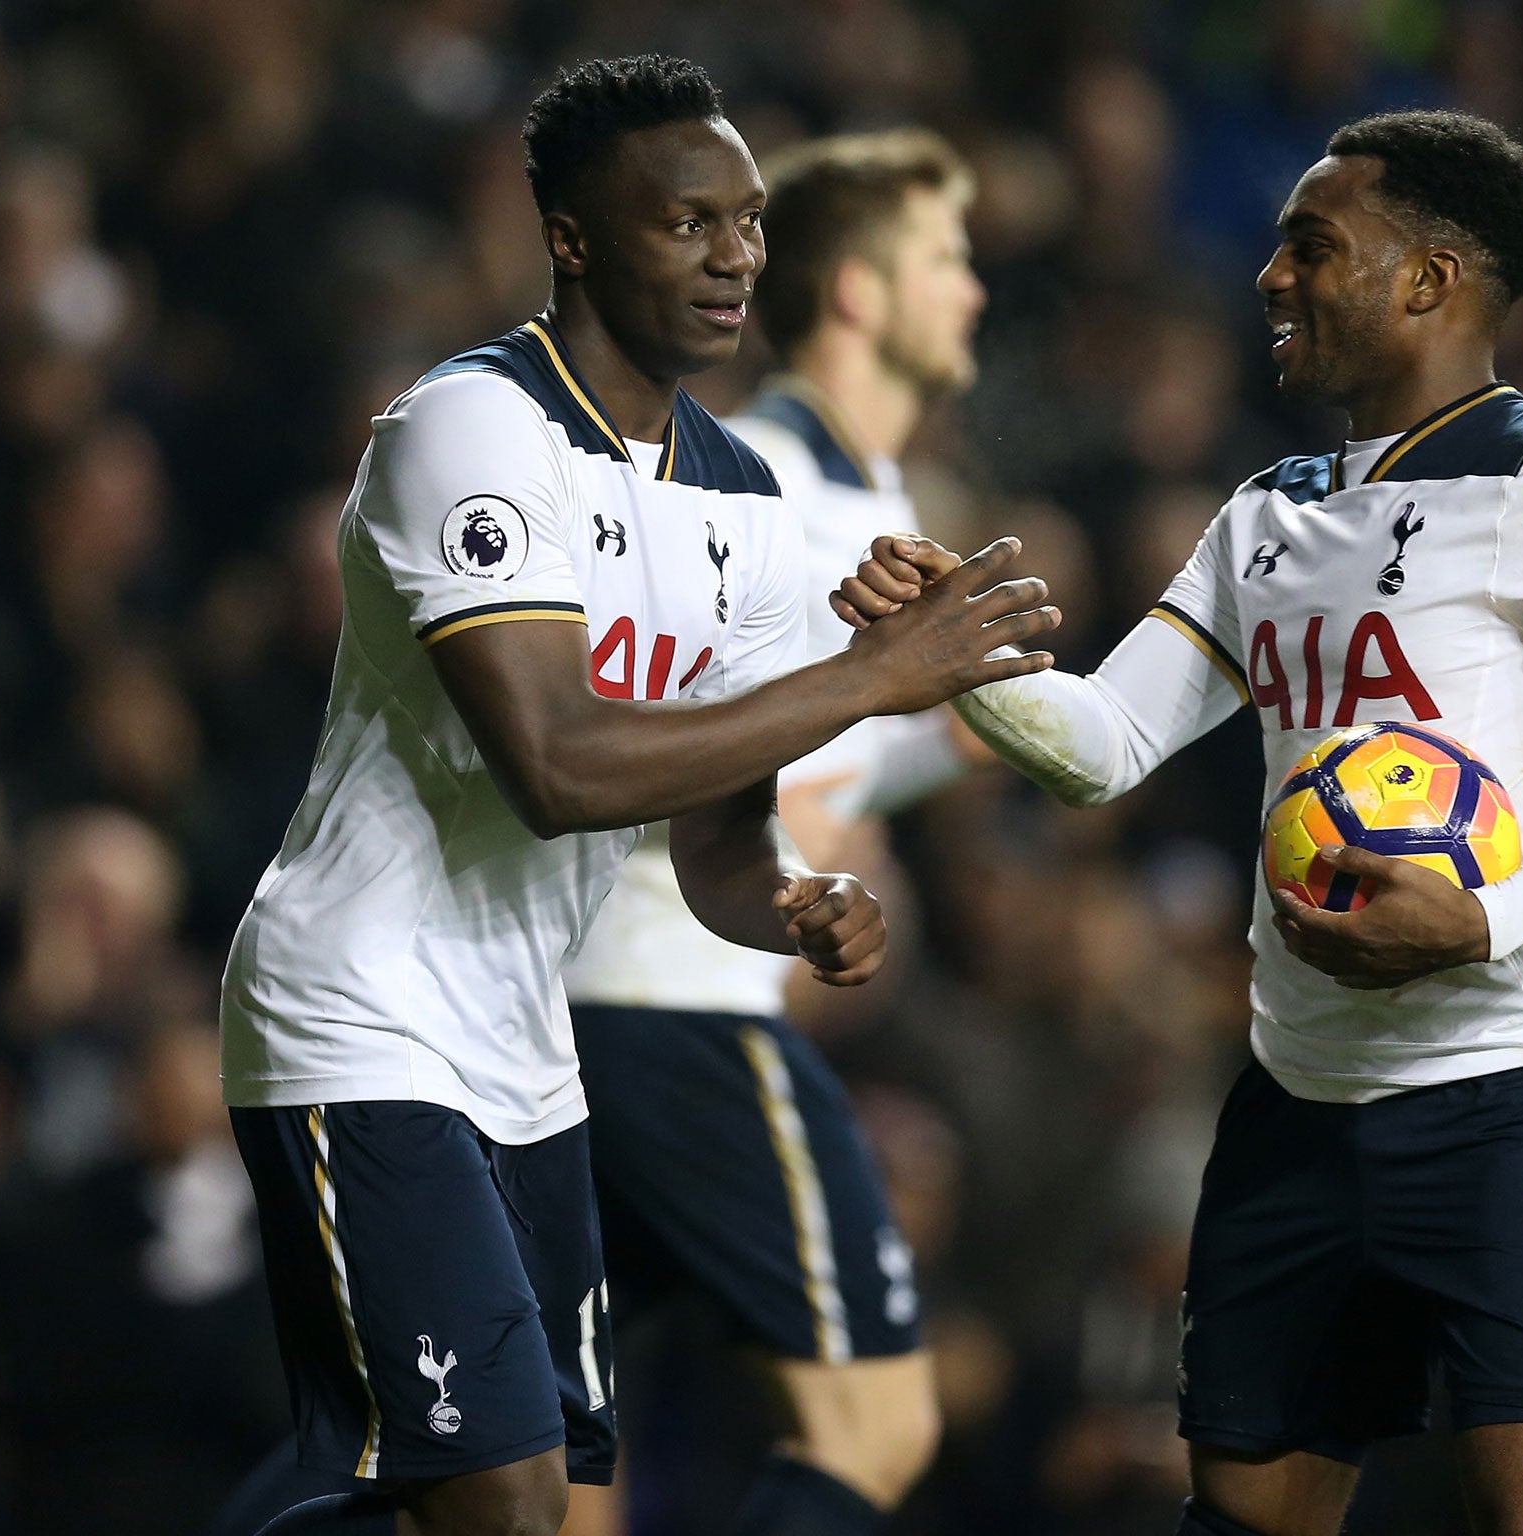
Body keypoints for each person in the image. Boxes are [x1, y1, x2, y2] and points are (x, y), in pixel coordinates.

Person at [836, 110, 1523, 1536]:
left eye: (1313, 245)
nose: (1271, 275)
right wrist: (968, 662)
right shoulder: (1267, 517)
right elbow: (1107, 745)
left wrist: (1481, 918)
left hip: (1515, 1082)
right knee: (1244, 1513)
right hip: (1301, 1095)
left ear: (1432, 281)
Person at [218, 56, 1056, 1536]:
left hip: (528, 1052)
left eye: (748, 222)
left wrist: (796, 904)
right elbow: (552, 767)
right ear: (574, 238)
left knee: (472, 1495)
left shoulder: (739, 495)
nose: (736, 255)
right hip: (360, 1011)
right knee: (495, 1495)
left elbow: (717, 835)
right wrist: (866, 677)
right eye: (688, 223)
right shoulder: (469, 434)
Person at [560, 130, 986, 1536]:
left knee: (545, 1472)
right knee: (876, 1422)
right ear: (859, 293)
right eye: (946, 260)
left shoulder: (851, 494)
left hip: (584, 1024)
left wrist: (938, 745)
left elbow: (810, 738)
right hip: (676, 1010)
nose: (974, 291)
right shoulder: (782, 501)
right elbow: (709, 761)